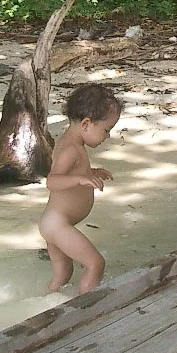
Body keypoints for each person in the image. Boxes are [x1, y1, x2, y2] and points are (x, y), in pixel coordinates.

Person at [39, 83, 122, 294]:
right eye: (106, 130)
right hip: (57, 225)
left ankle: (48, 306)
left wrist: (90, 172)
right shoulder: (71, 149)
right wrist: (80, 179)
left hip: (55, 223)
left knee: (63, 273)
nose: (107, 137)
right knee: (95, 264)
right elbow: (53, 181)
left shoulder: (73, 144)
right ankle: (87, 311)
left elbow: (73, 173)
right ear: (86, 123)